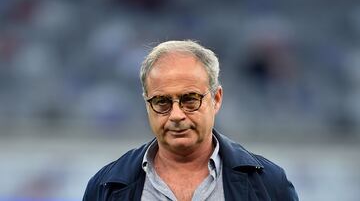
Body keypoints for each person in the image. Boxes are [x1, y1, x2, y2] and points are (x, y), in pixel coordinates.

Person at [82, 40, 299, 201]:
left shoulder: (269, 184)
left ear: (216, 99)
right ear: (147, 104)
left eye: (190, 99)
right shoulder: (105, 188)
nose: (176, 115)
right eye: (162, 102)